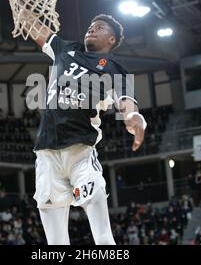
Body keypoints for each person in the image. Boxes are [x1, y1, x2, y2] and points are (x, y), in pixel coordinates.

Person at [22, 13, 147, 245]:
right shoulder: (65, 49)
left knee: (101, 228)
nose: (91, 29)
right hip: (46, 154)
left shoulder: (112, 67)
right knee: (56, 243)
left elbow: (127, 103)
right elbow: (33, 26)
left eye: (99, 28)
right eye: (90, 26)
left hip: (80, 151)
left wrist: (134, 117)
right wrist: (21, 5)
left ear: (111, 39)